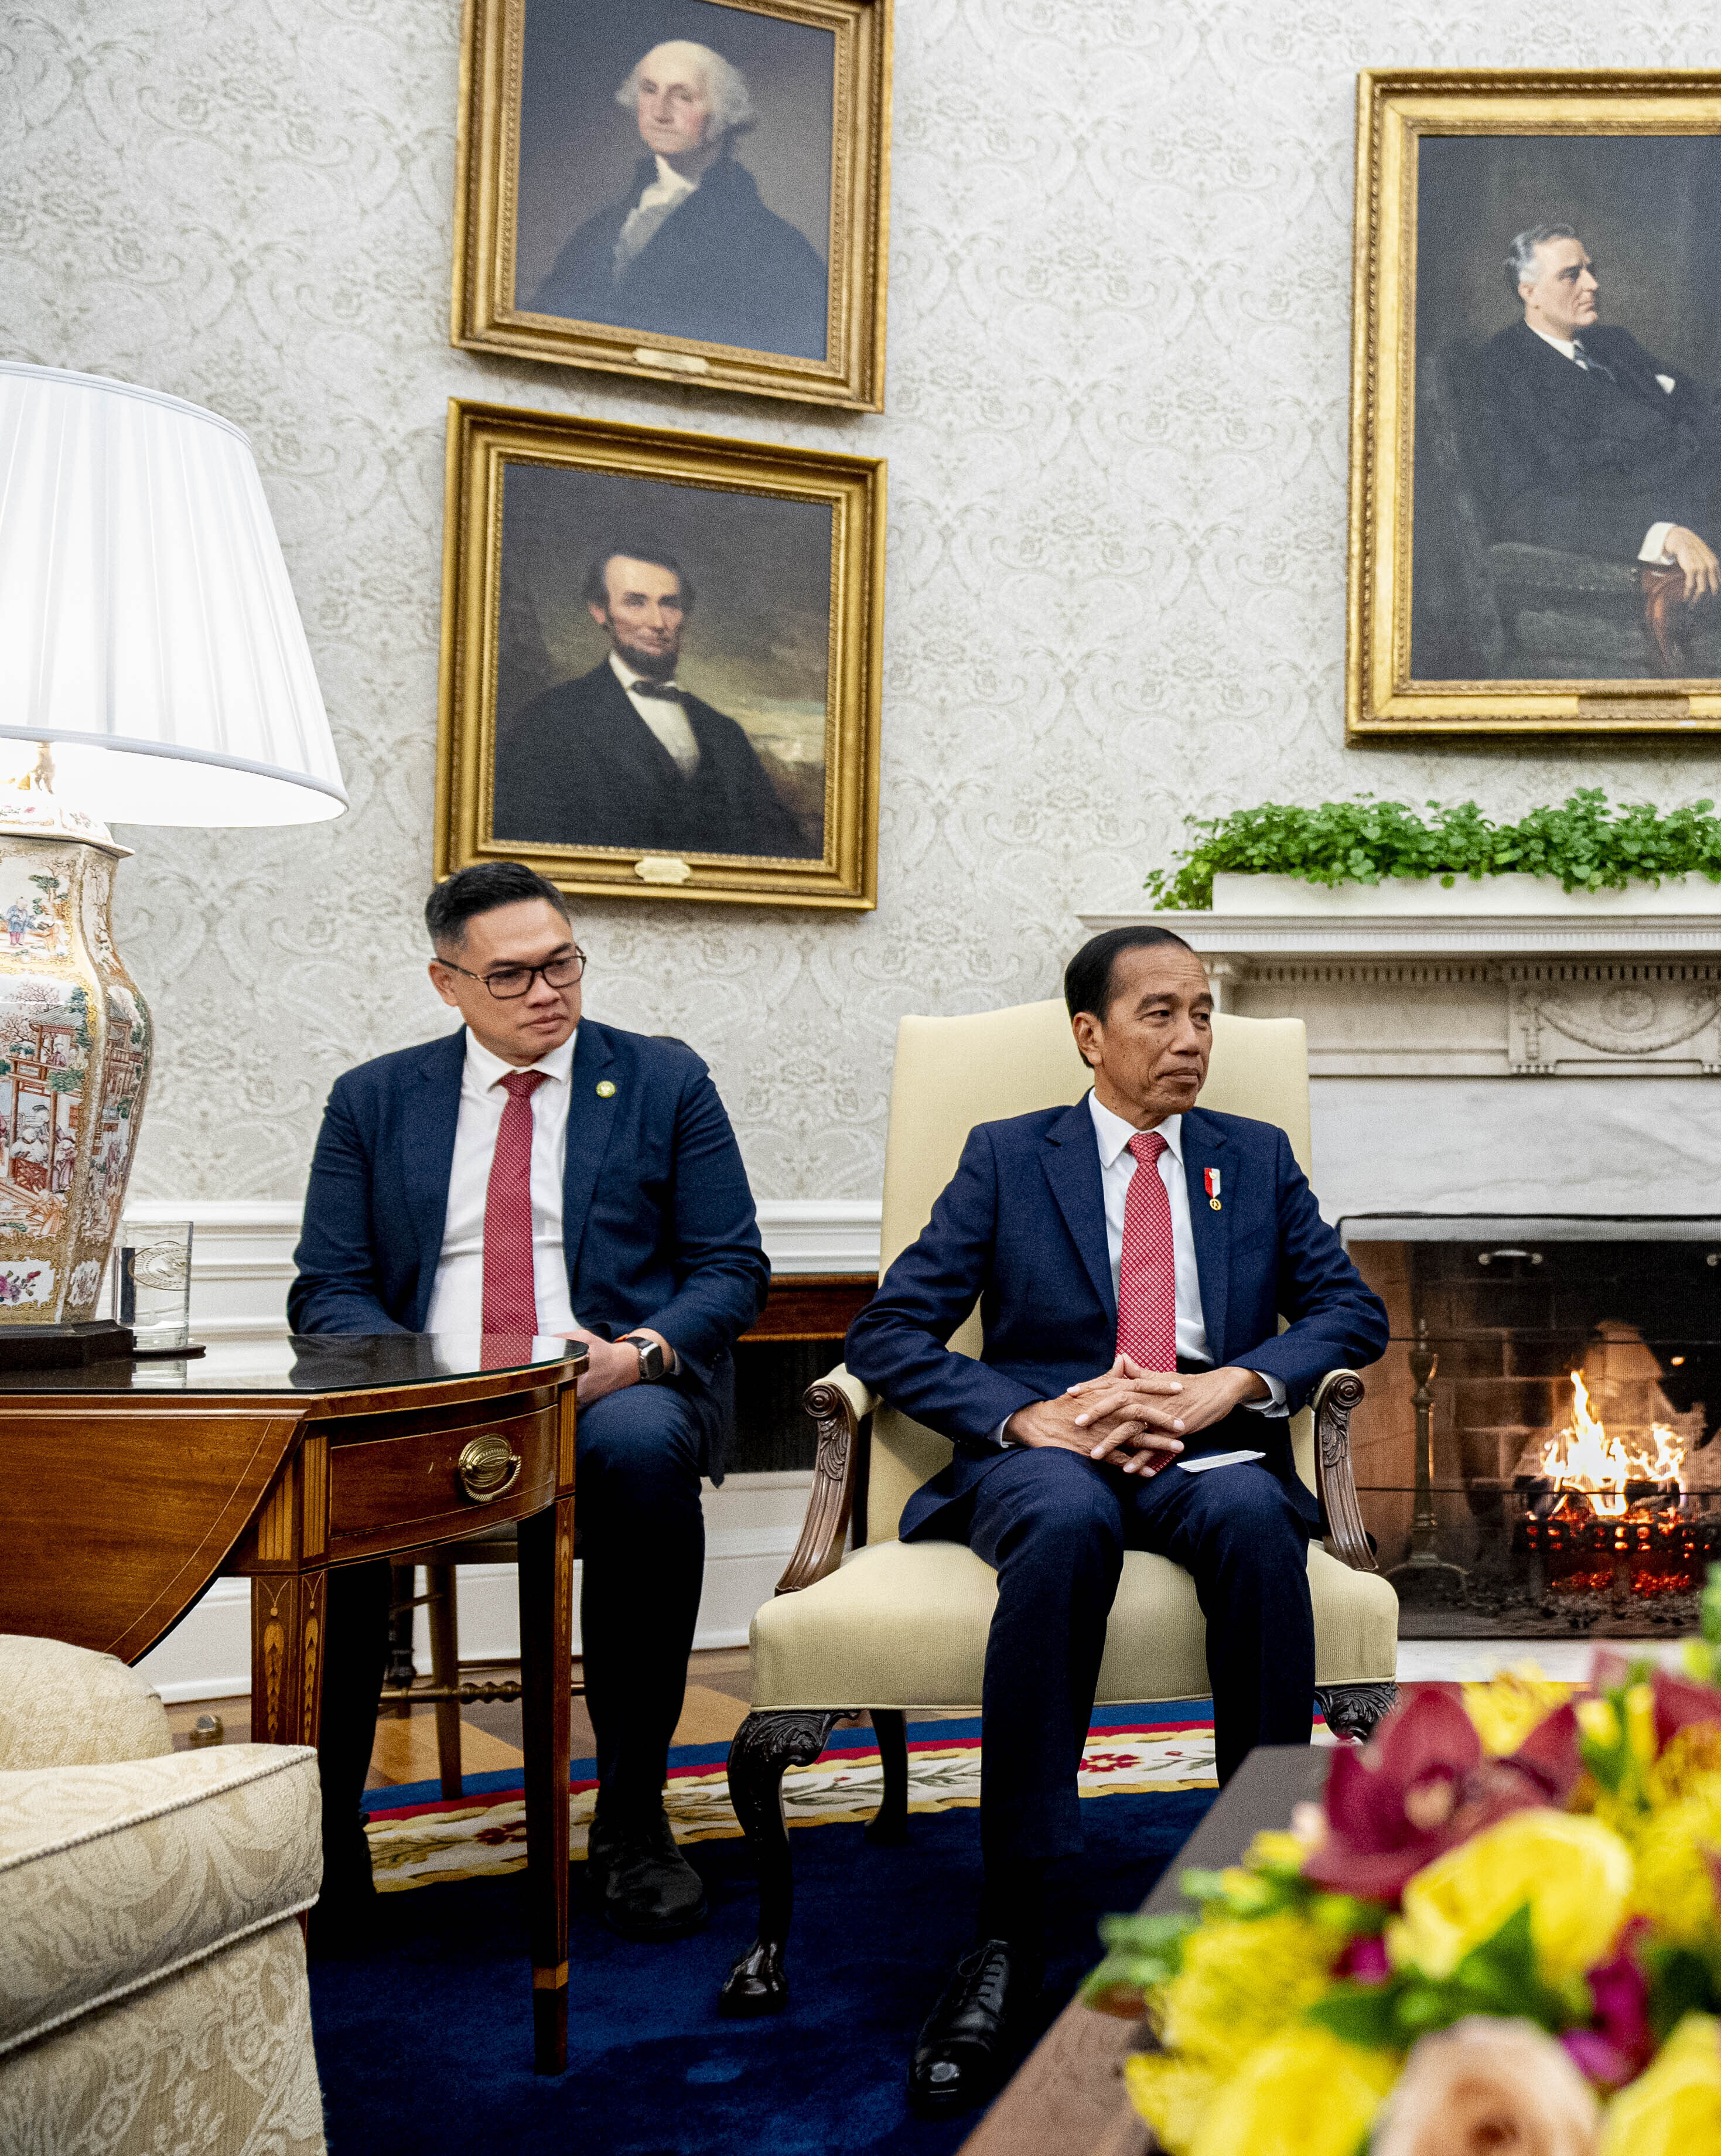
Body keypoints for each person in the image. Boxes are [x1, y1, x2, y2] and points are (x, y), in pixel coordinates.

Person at [844, 926, 1389, 2113]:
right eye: (1159, 1013)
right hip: (1054, 1453)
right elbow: (888, 1334)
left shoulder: (1253, 1157)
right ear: (1089, 1033)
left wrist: (1228, 1385)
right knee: (1065, 1520)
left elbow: (1352, 1310)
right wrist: (1027, 1417)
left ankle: (1252, 1911)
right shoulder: (1006, 1157)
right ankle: (1014, 1927)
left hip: (1206, 1448)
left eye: (1201, 1013)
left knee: (1255, 1519)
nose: (1191, 1037)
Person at [290, 862, 769, 1945]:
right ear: (447, 983)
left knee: (647, 1449)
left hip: (602, 1385)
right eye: (512, 975)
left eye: (562, 963)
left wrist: (641, 1352)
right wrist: (416, 1373)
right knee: (336, 1487)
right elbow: (327, 1283)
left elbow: (732, 1268)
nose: (546, 992)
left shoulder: (661, 1079)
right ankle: (327, 1839)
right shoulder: (376, 1099)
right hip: (429, 1389)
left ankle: (635, 1821)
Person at [1463, 222, 1721, 678]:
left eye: (1590, 270)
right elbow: (1522, 507)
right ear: (1529, 292)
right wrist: (1660, 535)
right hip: (1648, 563)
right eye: (1572, 276)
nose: (1593, 284)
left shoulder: (1611, 345)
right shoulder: (1499, 374)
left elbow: (1702, 411)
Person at [492, 544, 815, 862]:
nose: (658, 623)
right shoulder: (550, 720)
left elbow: (784, 853)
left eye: (669, 604)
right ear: (600, 612)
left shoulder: (724, 733)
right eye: (636, 603)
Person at [529, 37, 828, 359]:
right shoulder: (603, 227)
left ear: (724, 114)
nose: (660, 113)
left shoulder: (774, 247)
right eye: (649, 90)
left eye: (683, 97)